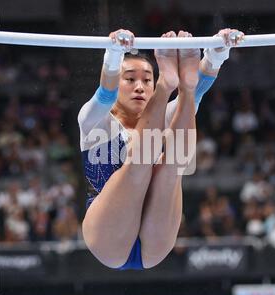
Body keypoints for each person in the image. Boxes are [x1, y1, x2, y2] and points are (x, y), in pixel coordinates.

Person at [77, 28, 244, 270]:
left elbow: (198, 91)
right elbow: (105, 95)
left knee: (173, 161)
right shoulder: (94, 121)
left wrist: (217, 52)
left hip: (154, 241)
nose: (140, 87)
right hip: (107, 236)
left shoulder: (160, 115)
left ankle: (178, 85)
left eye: (147, 80)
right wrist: (112, 56)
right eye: (130, 78)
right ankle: (167, 85)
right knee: (140, 160)